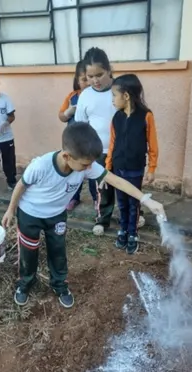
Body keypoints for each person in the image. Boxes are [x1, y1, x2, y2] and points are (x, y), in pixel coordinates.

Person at [1, 122, 167, 309]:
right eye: (85, 164)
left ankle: (60, 286)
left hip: (56, 216)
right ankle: (25, 285)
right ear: (67, 156)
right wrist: (10, 209)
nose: (89, 169)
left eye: (90, 164)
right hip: (30, 214)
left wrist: (146, 199)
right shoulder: (41, 166)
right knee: (29, 252)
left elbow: (117, 181)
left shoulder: (86, 165)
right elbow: (21, 185)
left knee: (58, 252)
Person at [105, 74, 159, 255]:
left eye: (114, 95)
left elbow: (153, 144)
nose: (112, 99)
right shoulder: (116, 118)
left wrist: (152, 168)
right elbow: (112, 144)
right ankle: (123, 230)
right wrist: (107, 168)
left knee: (133, 202)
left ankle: (133, 234)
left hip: (135, 169)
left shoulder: (146, 116)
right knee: (121, 202)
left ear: (126, 96)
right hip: (118, 168)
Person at [73, 47, 116, 236]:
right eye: (90, 77)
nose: (95, 81)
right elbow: (81, 125)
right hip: (97, 152)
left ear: (109, 70)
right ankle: (102, 219)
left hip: (120, 150)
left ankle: (133, 215)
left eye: (100, 74)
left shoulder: (120, 89)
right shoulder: (86, 95)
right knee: (100, 188)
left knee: (125, 184)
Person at [58, 61, 96, 211]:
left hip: (92, 143)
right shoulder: (72, 97)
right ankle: (73, 198)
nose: (88, 82)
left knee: (93, 171)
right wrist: (69, 112)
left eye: (90, 78)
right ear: (77, 80)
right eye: (84, 79)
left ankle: (95, 198)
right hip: (74, 143)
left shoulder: (97, 96)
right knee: (73, 171)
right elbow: (61, 116)